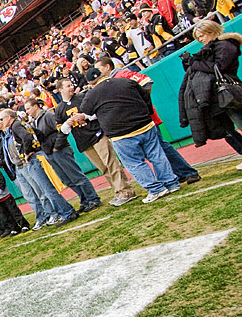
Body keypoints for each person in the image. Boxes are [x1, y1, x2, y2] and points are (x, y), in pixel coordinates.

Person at [78, 67, 180, 203]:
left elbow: (86, 111)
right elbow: (146, 97)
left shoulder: (92, 94)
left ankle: (156, 189)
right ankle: (171, 183)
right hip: (145, 125)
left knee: (135, 163)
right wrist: (147, 114)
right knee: (157, 155)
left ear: (91, 83)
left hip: (121, 133)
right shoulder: (125, 82)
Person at [95, 55, 201, 184]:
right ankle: (178, 173)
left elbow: (146, 81)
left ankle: (187, 172)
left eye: (99, 69)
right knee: (157, 150)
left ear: (107, 67)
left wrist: (141, 103)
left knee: (161, 147)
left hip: (144, 118)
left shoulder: (122, 75)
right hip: (138, 120)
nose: (97, 73)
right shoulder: (111, 81)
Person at [55, 77, 137, 206]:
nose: (71, 87)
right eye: (67, 85)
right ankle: (117, 191)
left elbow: (97, 112)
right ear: (60, 90)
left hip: (96, 134)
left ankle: (126, 191)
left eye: (71, 84)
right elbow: (62, 130)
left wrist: (85, 116)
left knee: (111, 164)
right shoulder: (59, 109)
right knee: (103, 168)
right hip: (84, 141)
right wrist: (67, 123)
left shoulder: (82, 97)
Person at [0, 109, 78, 227]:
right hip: (38, 155)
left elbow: (27, 137)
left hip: (34, 159)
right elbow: (38, 133)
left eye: (2, 118)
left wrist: (27, 152)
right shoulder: (21, 123)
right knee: (47, 188)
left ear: (8, 117)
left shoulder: (15, 125)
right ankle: (66, 211)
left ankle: (66, 212)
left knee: (47, 189)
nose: (1, 121)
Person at [179, 20, 242, 166]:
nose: (201, 40)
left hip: (227, 91)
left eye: (202, 36)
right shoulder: (214, 47)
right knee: (226, 130)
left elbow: (218, 67)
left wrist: (194, 62)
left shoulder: (226, 45)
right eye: (198, 37)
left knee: (238, 122)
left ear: (211, 31)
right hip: (215, 95)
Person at [24, 97, 101, 213]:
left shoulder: (48, 116)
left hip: (60, 150)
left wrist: (57, 146)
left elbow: (62, 130)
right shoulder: (35, 121)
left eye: (28, 108)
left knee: (76, 176)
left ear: (36, 106)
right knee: (67, 179)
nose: (27, 111)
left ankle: (93, 198)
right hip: (51, 152)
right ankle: (84, 200)